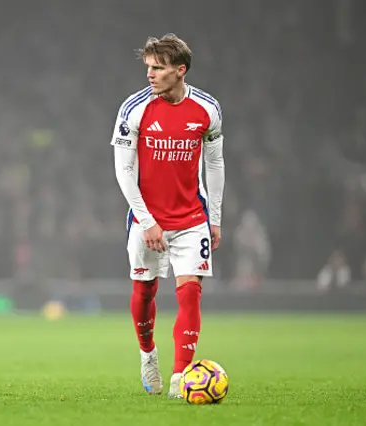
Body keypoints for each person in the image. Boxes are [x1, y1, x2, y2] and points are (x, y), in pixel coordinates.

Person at [110, 34, 225, 397]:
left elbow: (215, 162)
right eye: (147, 67)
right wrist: (148, 222)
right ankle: (148, 355)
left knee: (190, 293)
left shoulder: (207, 109)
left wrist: (216, 218)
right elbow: (124, 172)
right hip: (147, 219)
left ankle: (181, 377)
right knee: (145, 291)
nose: (150, 74)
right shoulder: (134, 109)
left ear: (180, 70)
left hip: (192, 218)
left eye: (157, 68)